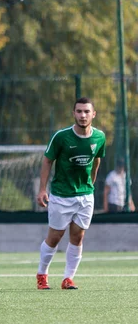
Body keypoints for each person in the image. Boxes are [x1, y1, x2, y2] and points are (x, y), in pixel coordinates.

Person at [35, 97, 106, 290]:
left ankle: (68, 278)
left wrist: (91, 183)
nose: (83, 115)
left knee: (77, 237)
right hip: (61, 195)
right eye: (79, 111)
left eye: (86, 111)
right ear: (73, 113)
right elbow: (47, 161)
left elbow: (97, 160)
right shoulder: (61, 137)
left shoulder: (99, 137)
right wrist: (42, 189)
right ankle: (42, 274)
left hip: (85, 196)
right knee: (55, 237)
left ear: (93, 114)